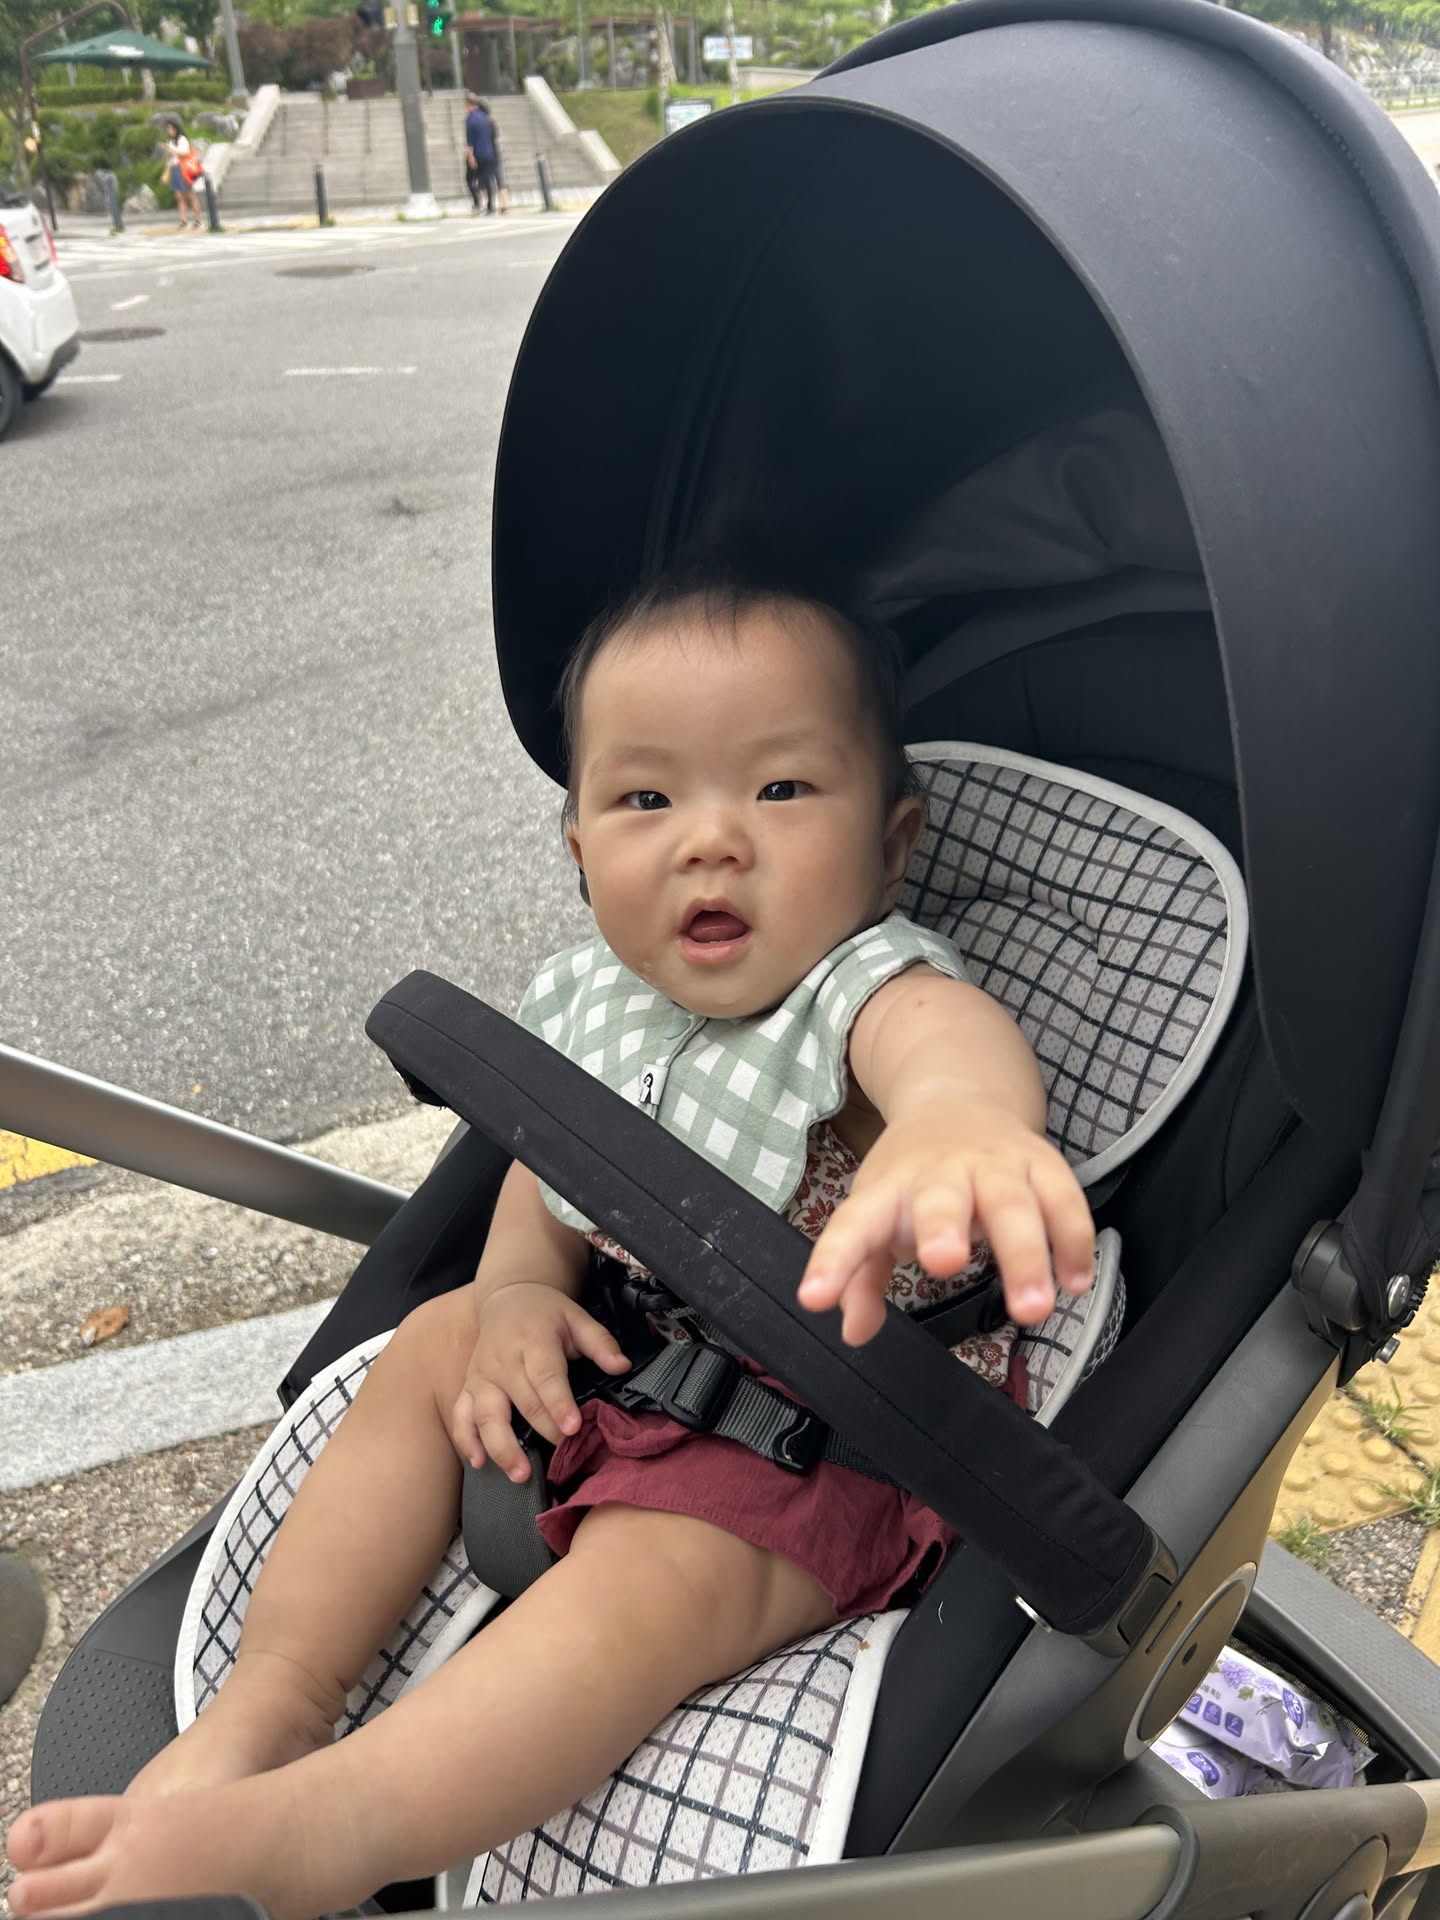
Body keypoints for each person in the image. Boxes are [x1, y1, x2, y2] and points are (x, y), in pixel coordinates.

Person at [4, 574, 1095, 1920]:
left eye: (781, 790)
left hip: (830, 1435)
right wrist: (519, 1288)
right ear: (577, 846)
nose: (711, 841)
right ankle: (270, 1704)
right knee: (435, 1339)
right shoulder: (600, 997)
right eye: (646, 799)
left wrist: (960, 1127)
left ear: (891, 844)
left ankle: (351, 1819)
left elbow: (945, 1051)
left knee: (656, 1572)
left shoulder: (865, 988)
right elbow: (557, 1160)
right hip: (639, 1347)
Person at [464, 91, 504, 213]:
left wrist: (470, 156)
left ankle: (477, 202)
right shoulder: (486, 118)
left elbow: (470, 140)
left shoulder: (470, 119)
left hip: (477, 153)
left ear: (468, 104)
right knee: (488, 179)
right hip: (489, 152)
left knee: (470, 178)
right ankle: (491, 204)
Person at [162, 118, 202, 232]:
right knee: (179, 196)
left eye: (171, 129)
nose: (169, 131)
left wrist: (171, 150)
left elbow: (184, 153)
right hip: (175, 168)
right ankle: (183, 221)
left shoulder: (182, 139)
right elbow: (171, 158)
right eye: (168, 129)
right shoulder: (170, 142)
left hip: (184, 169)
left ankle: (197, 220)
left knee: (190, 195)